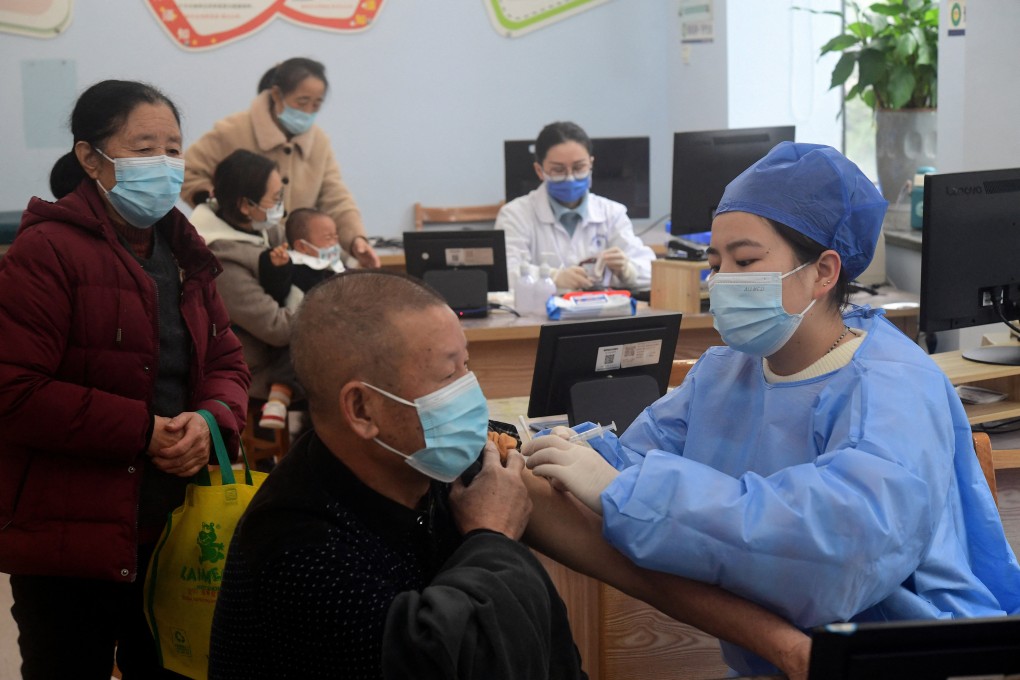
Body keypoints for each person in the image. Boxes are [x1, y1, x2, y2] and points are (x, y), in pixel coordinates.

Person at [521, 142, 1020, 676]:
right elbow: (633, 462)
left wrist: (623, 490)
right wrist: (577, 453)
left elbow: (836, 555)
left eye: (746, 260)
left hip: (900, 658)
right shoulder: (725, 371)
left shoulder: (893, 388)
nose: (723, 280)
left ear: (824, 271)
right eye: (715, 263)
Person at [207, 270, 587, 679]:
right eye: (448, 375)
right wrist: (491, 538)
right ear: (363, 409)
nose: (471, 393)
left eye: (467, 364)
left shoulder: (431, 458)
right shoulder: (299, 551)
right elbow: (445, 663)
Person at [0, 79, 250, 679]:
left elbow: (228, 364)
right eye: (144, 149)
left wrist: (211, 417)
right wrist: (143, 431)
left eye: (173, 149)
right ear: (91, 157)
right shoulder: (45, 253)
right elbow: (14, 391)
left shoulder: (186, 252)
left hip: (176, 529)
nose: (163, 165)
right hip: (70, 532)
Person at [182, 56, 381, 269]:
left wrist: (355, 239)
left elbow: (336, 197)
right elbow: (187, 171)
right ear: (277, 95)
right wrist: (224, 205)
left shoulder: (319, 142)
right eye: (302, 102)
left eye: (316, 105)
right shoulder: (232, 131)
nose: (308, 112)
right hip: (242, 254)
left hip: (301, 256)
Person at [188, 148, 301, 432]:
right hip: (255, 368)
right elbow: (276, 328)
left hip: (282, 354)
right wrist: (318, 305)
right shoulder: (219, 256)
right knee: (339, 380)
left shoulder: (260, 226)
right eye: (275, 199)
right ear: (245, 205)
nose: (281, 208)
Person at [496, 121, 656, 292]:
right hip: (538, 316)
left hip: (600, 314)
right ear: (539, 170)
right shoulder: (515, 215)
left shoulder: (612, 213)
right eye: (558, 170)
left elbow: (652, 272)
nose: (571, 178)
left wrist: (628, 270)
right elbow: (506, 273)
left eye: (579, 167)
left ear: (591, 164)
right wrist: (554, 277)